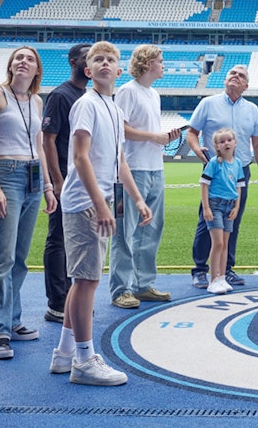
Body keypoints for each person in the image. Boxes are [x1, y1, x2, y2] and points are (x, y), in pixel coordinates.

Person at [49, 41, 151, 386]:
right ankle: (83, 359)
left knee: (84, 279)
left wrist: (136, 198)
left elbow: (119, 161)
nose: (105, 63)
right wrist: (101, 203)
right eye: (98, 60)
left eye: (111, 59)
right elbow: (80, 157)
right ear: (87, 70)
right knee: (87, 280)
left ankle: (65, 353)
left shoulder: (112, 108)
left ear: (119, 71)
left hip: (97, 199)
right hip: (84, 203)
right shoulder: (86, 105)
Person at [0, 46, 57, 360]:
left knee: (21, 258)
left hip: (33, 178)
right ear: (10, 65)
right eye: (19, 57)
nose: (23, 62)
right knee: (3, 257)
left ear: (37, 70)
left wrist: (49, 187)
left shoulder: (36, 101)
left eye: (30, 59)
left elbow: (39, 146)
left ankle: (13, 320)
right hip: (6, 174)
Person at [109, 45, 183, 309]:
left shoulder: (153, 94)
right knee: (126, 231)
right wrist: (154, 137)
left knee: (151, 228)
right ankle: (121, 289)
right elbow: (120, 129)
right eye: (160, 61)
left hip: (154, 167)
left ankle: (141, 285)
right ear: (148, 63)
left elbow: (142, 130)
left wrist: (162, 139)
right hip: (133, 169)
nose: (164, 65)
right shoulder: (128, 91)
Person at [186, 63, 258, 289]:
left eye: (240, 75)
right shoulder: (208, 103)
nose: (235, 76)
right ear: (225, 79)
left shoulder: (252, 109)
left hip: (240, 170)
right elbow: (191, 132)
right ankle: (200, 269)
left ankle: (226, 269)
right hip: (215, 170)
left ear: (246, 85)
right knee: (208, 218)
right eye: (232, 73)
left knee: (233, 220)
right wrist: (196, 149)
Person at [41, 43, 90, 325]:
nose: (92, 61)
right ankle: (57, 302)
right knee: (58, 239)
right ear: (73, 61)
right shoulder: (61, 95)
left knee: (76, 241)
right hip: (65, 178)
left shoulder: (89, 96)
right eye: (87, 56)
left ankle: (72, 298)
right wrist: (57, 180)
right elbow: (48, 138)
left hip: (82, 181)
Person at [200, 128, 246, 295]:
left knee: (225, 243)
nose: (226, 143)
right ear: (217, 146)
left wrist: (236, 207)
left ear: (235, 142)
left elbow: (239, 187)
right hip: (215, 205)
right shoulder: (214, 163)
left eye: (229, 140)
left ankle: (221, 277)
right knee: (217, 243)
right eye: (222, 141)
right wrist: (206, 207)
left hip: (229, 205)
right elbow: (204, 185)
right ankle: (212, 279)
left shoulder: (238, 163)